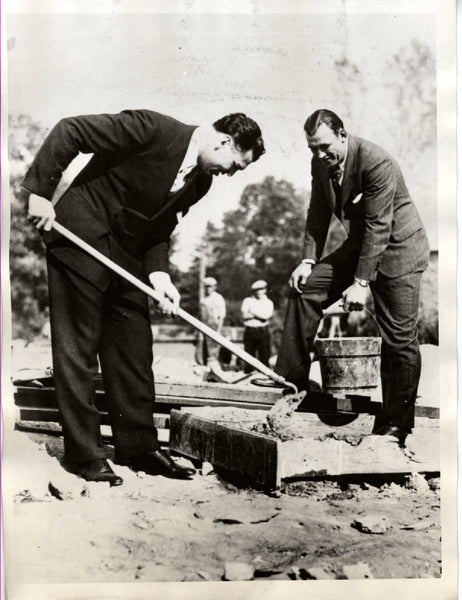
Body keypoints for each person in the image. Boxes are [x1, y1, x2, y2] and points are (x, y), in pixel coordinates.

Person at [24, 109, 265, 485]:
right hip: (80, 235)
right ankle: (85, 455)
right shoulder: (153, 130)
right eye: (234, 165)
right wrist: (39, 193)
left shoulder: (200, 182)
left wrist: (159, 274)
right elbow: (69, 130)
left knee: (134, 346)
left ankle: (139, 448)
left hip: (126, 257)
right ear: (223, 141)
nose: (229, 174)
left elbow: (160, 227)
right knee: (79, 349)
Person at [252, 109, 429, 445]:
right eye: (312, 149)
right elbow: (317, 212)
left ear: (343, 135)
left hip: (398, 249)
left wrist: (361, 283)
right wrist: (307, 260)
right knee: (305, 289)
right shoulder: (320, 162)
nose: (320, 155)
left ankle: (396, 426)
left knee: (399, 340)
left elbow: (380, 225)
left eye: (324, 147)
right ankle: (291, 383)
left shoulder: (378, 162)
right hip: (360, 245)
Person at [241, 280, 274, 373]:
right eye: (257, 290)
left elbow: (266, 316)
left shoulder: (269, 302)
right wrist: (258, 314)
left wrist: (252, 313)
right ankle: (247, 376)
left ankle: (264, 375)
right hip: (250, 331)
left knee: (264, 356)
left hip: (262, 331)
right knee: (248, 356)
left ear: (265, 290)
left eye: (261, 289)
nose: (259, 292)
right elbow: (244, 316)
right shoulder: (247, 300)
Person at [198, 276, 227, 379]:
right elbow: (201, 315)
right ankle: (205, 371)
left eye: (210, 286)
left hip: (214, 326)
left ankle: (215, 372)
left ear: (214, 287)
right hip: (203, 325)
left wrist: (218, 331)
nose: (207, 288)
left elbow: (221, 316)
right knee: (202, 349)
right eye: (206, 286)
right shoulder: (203, 299)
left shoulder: (218, 298)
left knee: (213, 351)